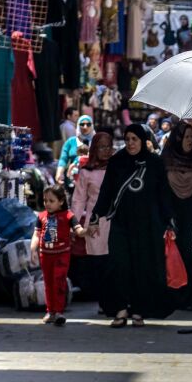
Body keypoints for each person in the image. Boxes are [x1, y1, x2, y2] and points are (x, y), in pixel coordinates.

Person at [88, 124, 174, 327]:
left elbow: (163, 193)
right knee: (119, 265)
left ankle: (138, 310)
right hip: (121, 223)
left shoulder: (154, 163)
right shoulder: (117, 162)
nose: (130, 143)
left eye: (135, 139)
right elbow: (107, 190)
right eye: (127, 139)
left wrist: (169, 220)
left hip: (146, 225)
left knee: (141, 267)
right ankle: (120, 309)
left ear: (143, 140)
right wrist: (95, 216)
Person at [161, 121, 192, 310]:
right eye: (186, 137)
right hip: (171, 215)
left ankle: (191, 297)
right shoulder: (165, 160)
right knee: (173, 256)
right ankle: (172, 297)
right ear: (178, 138)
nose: (190, 140)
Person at [71, 130, 114, 314]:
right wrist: (75, 224)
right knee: (98, 264)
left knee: (114, 263)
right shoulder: (86, 172)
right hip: (94, 224)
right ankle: (104, 302)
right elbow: (79, 199)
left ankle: (116, 301)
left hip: (115, 222)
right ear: (94, 149)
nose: (105, 151)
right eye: (101, 147)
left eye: (108, 146)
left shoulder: (117, 168)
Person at [30, 185, 86, 326]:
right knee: (48, 284)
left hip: (62, 255)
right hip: (45, 255)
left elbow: (78, 230)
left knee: (59, 281)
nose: (47, 204)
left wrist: (86, 231)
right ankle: (50, 312)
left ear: (61, 201)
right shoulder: (41, 216)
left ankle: (59, 312)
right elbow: (36, 235)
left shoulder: (68, 216)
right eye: (45, 200)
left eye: (51, 201)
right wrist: (32, 250)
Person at [57, 115, 95, 184]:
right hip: (74, 180)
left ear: (92, 125)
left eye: (88, 124)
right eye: (82, 124)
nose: (85, 127)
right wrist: (59, 173)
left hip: (93, 181)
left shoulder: (97, 140)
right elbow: (63, 159)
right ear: (78, 125)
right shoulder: (71, 141)